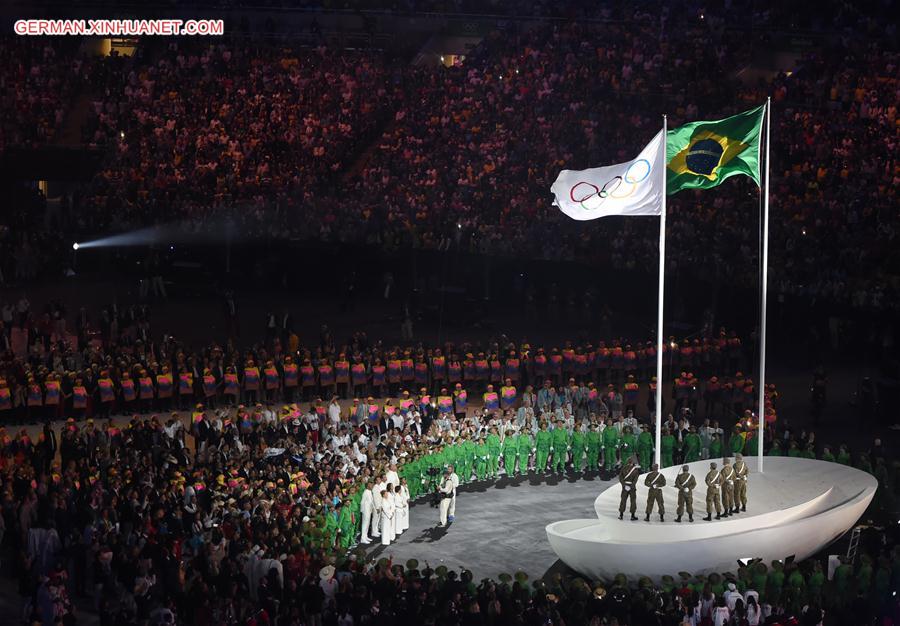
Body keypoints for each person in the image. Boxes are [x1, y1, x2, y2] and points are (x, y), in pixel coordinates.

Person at [359, 479, 374, 544]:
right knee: (365, 524)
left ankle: (365, 536)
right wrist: (362, 510)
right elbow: (362, 502)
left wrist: (372, 508)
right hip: (365, 510)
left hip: (369, 510)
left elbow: (371, 501)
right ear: (367, 486)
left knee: (367, 524)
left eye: (372, 484)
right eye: (370, 485)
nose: (372, 486)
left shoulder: (370, 492)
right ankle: (363, 538)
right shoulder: (365, 492)